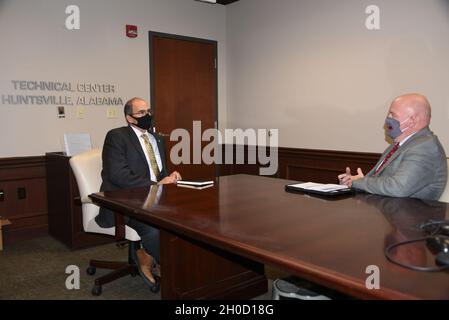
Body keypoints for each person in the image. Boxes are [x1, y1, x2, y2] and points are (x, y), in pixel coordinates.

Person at [95, 97, 181, 287]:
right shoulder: (116, 136)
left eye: (148, 111)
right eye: (141, 113)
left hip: (157, 199)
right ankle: (170, 267)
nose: (147, 115)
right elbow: (118, 175)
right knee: (156, 228)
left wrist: (170, 177)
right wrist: (156, 183)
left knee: (185, 221)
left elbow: (160, 173)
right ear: (129, 118)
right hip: (126, 202)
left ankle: (150, 256)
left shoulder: (157, 139)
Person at [338, 93, 447, 201]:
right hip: (386, 210)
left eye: (393, 115)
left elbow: (398, 187)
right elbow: (377, 183)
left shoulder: (425, 147)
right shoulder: (397, 145)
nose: (388, 119)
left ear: (412, 121)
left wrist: (359, 182)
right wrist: (354, 181)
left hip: (411, 216)